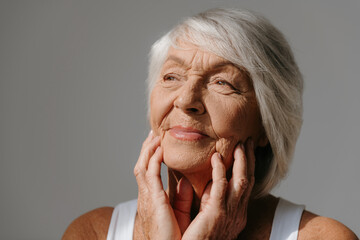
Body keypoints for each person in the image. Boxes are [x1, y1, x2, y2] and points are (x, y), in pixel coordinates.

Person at [62, 8, 358, 240]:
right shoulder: (92, 233)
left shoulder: (323, 237)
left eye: (222, 82)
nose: (186, 99)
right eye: (171, 77)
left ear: (267, 125)